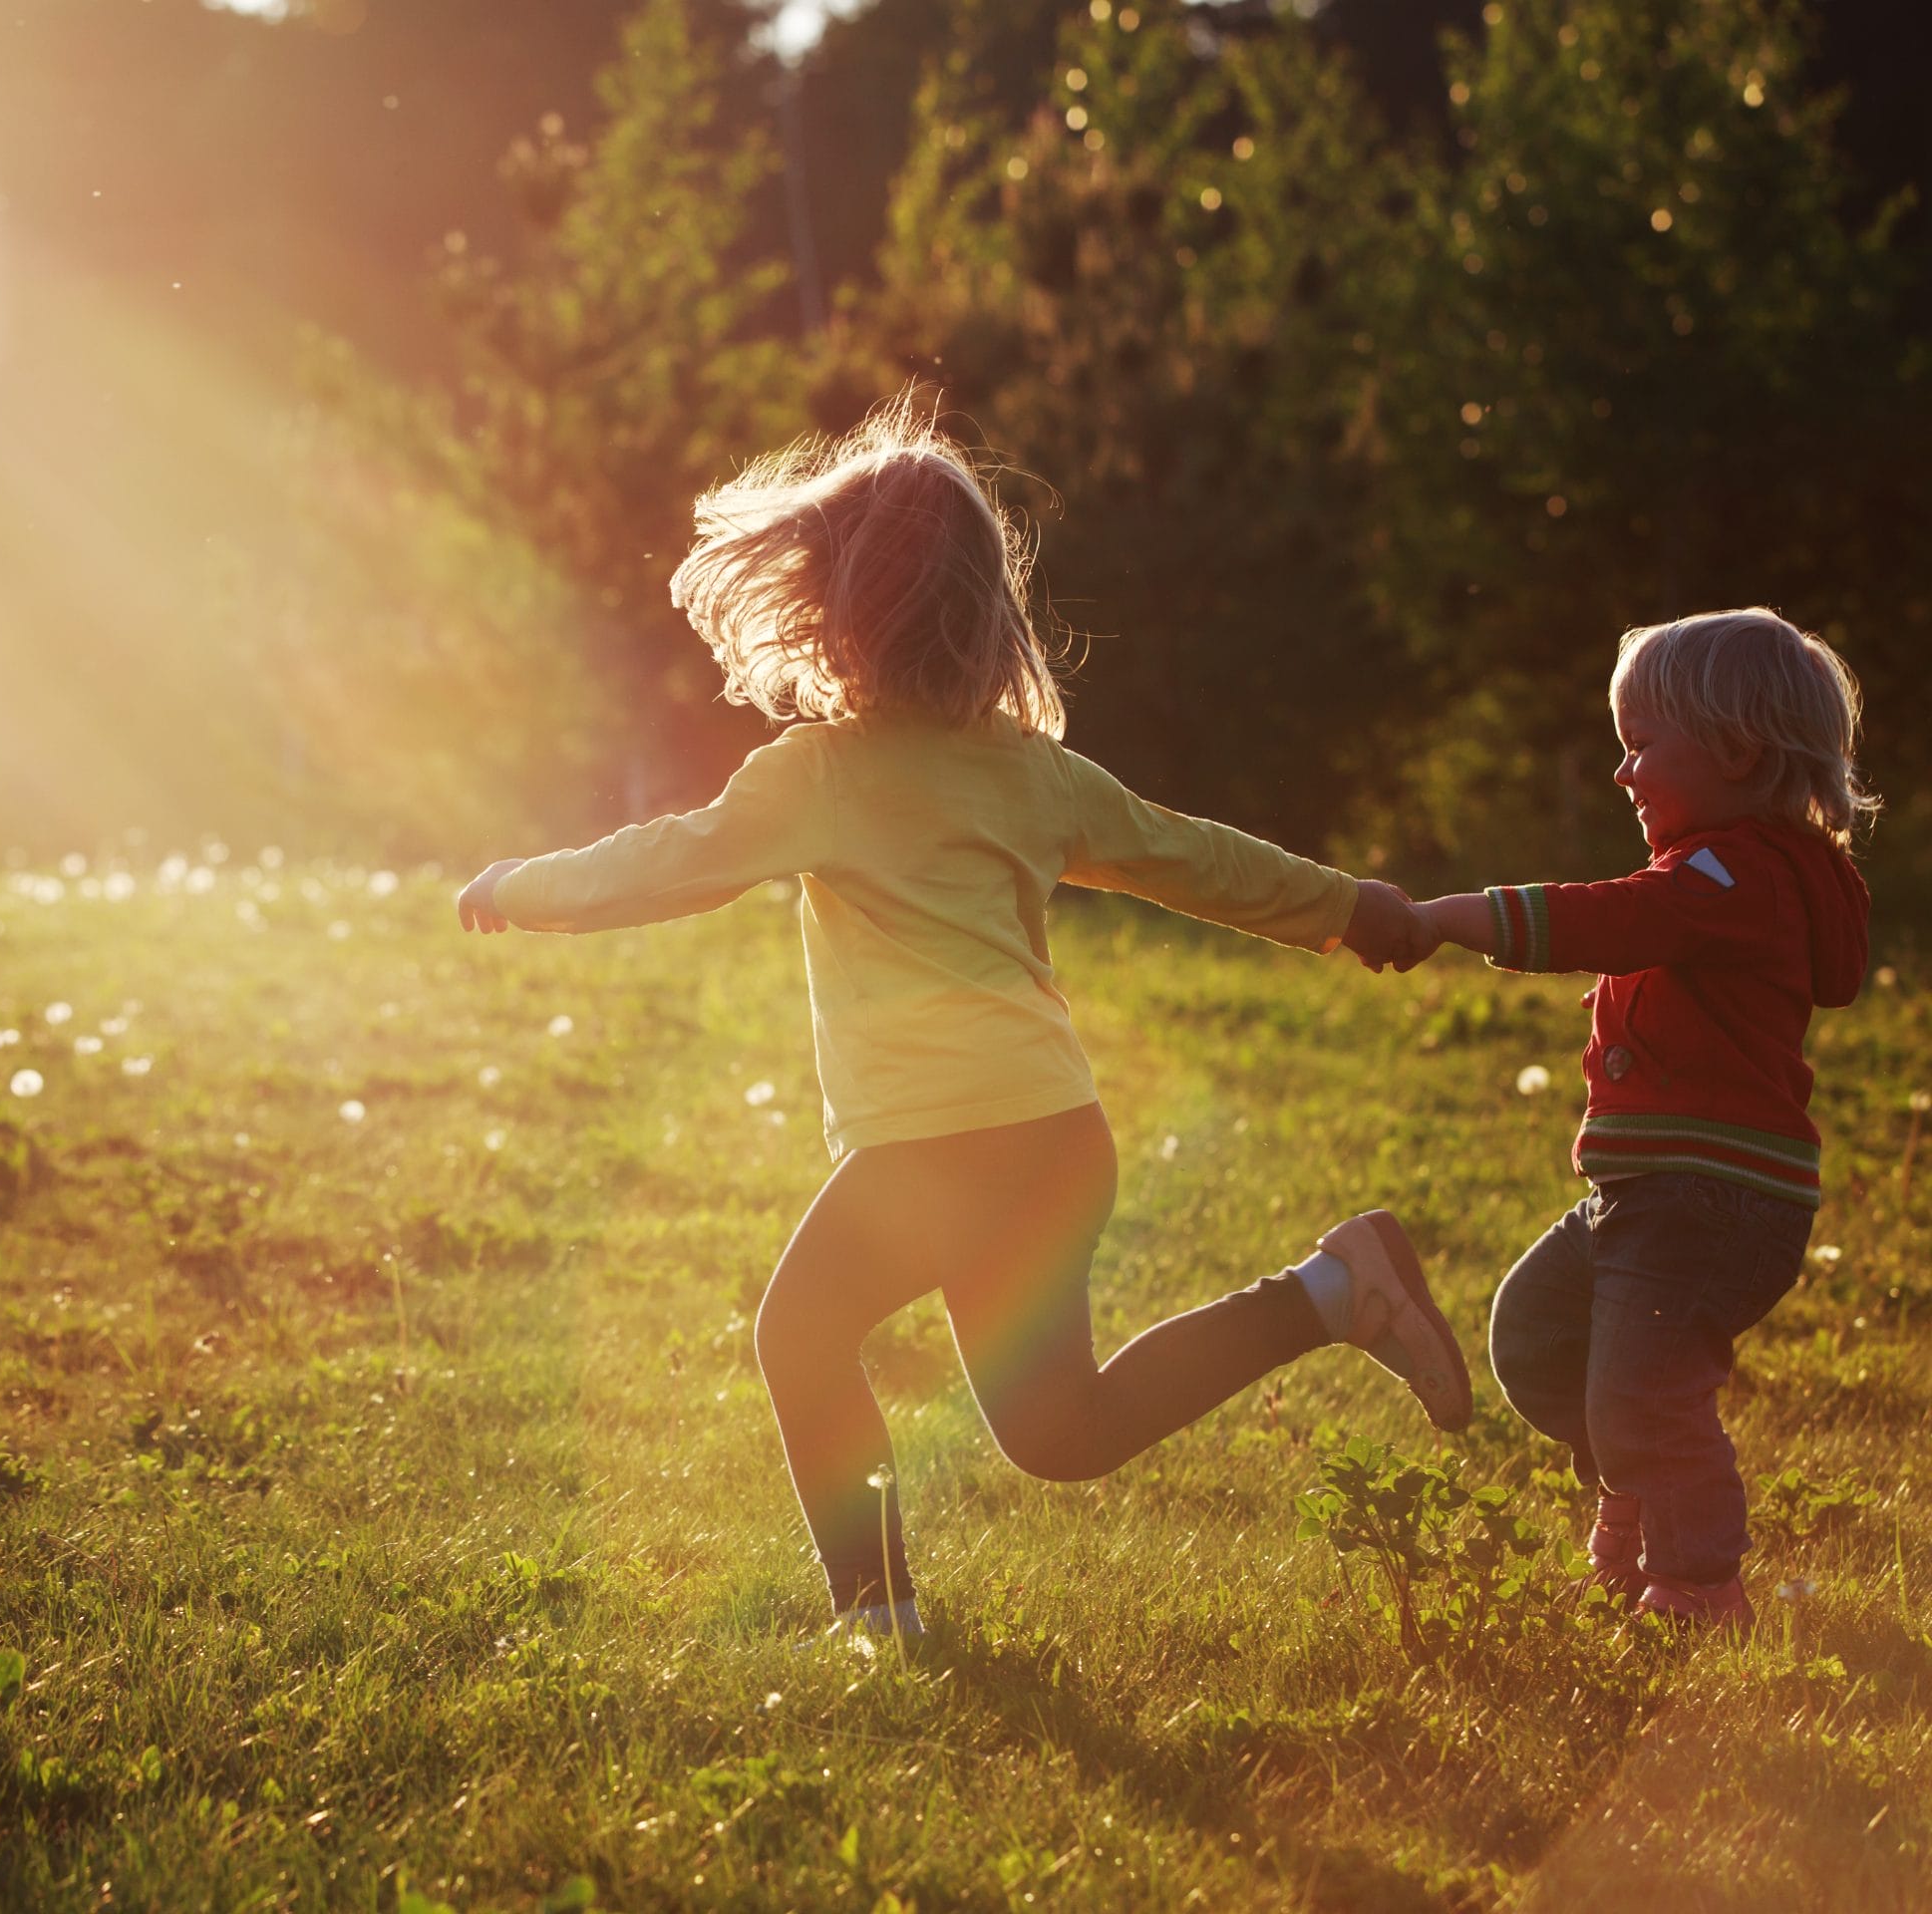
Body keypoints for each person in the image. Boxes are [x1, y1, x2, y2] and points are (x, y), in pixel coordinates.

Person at [456, 397, 1470, 1640]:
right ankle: (1331, 1290)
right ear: (985, 608)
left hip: (943, 1148)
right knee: (1064, 1433)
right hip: (1052, 1140)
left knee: (799, 1336)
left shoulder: (820, 775)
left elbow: (663, 865)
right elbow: (1194, 858)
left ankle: (878, 1617)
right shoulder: (1030, 775)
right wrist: (1352, 909)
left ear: (830, 612)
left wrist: (513, 889)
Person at [1401, 608, 1872, 1632]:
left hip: (1706, 1203)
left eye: (1639, 746)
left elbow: (1606, 916)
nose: (1621, 774)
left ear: (1737, 752)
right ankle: (1635, 1492)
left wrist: (1446, 918)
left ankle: (1698, 1585)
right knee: (1533, 1334)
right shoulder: (1727, 876)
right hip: (1653, 1197)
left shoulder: (1734, 874)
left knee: (1643, 1393)